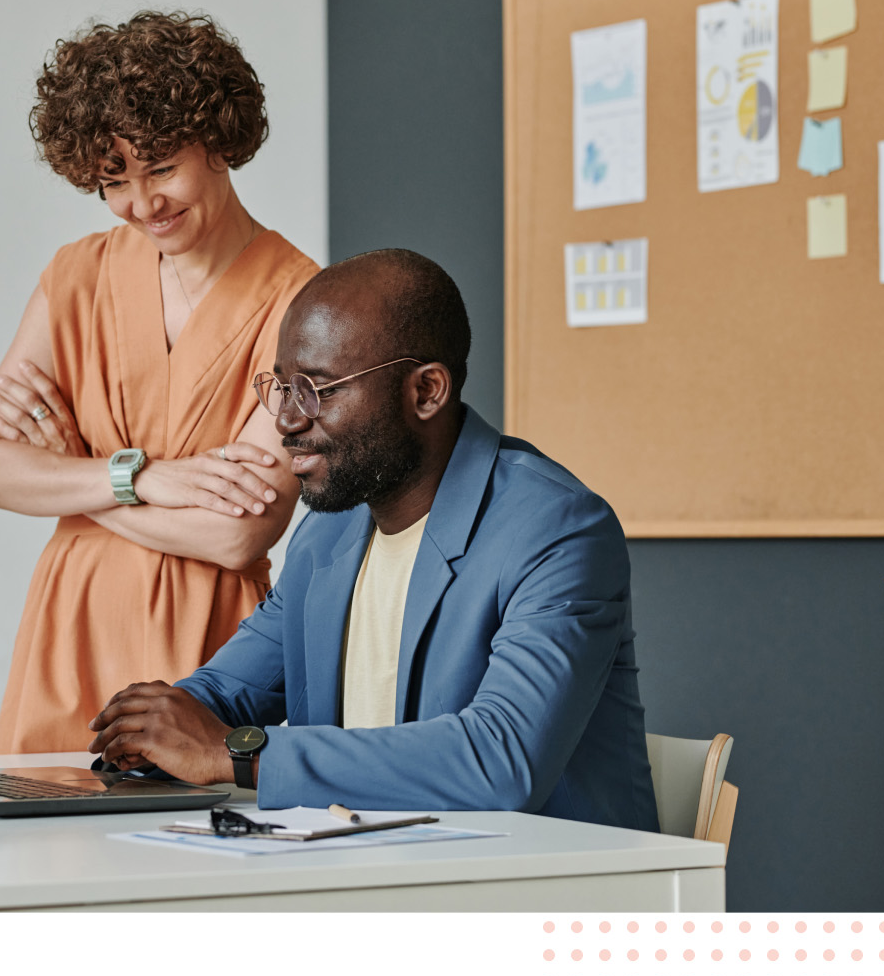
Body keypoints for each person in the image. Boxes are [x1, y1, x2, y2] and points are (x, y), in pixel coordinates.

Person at [86, 249, 660, 829]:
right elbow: (227, 695)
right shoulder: (328, 534)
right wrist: (151, 731)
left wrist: (235, 755)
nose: (286, 418)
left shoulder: (556, 529)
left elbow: (500, 758)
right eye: (282, 386)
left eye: (319, 389)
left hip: (539, 892)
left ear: (427, 391)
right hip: (367, 870)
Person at [0, 12, 318, 754]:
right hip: (68, 628)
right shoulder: (76, 276)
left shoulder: (302, 300)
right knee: (41, 855)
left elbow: (235, 531)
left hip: (208, 653)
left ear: (219, 140)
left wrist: (75, 482)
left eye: (160, 169)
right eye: (113, 181)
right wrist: (147, 479)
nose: (142, 204)